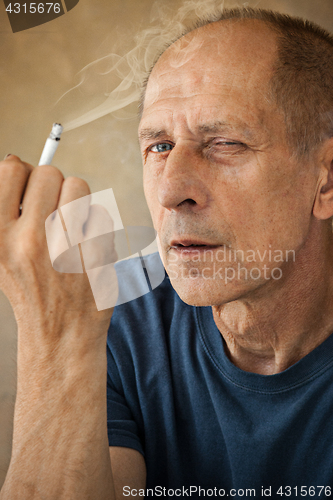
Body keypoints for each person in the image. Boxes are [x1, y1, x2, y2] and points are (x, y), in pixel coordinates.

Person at [1, 6, 333, 499]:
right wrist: (56, 339)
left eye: (224, 142)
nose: (170, 190)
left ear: (325, 180)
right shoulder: (113, 321)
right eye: (159, 147)